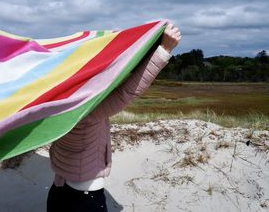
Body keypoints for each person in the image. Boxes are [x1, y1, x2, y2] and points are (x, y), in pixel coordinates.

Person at [47, 23, 181, 212]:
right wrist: (164, 50)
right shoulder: (85, 109)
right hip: (84, 199)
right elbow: (126, 92)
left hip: (58, 190)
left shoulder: (52, 102)